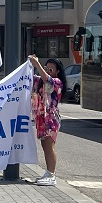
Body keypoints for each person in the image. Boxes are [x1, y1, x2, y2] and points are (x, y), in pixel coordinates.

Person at [29, 55, 65, 186]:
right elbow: (32, 78)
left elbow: (46, 78)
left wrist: (37, 64)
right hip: (42, 118)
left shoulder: (57, 82)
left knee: (50, 147)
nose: (48, 71)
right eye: (46, 68)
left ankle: (52, 174)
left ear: (57, 72)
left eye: (51, 69)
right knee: (45, 146)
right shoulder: (40, 82)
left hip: (51, 119)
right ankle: (48, 172)